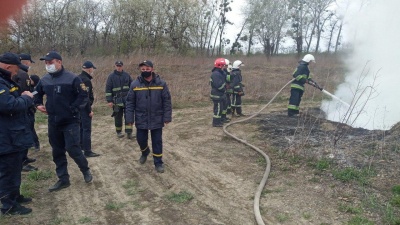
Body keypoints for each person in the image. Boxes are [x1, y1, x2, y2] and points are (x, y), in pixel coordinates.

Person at [34, 51, 93, 192]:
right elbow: (36, 93)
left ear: (59, 62)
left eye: (51, 62)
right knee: (57, 151)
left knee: (73, 149)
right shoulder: (44, 80)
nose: (48, 65)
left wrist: (73, 109)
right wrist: (38, 104)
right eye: (46, 63)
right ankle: (63, 179)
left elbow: (84, 96)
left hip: (70, 121)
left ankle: (85, 170)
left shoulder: (73, 78)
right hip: (53, 122)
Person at [0, 52, 34, 215]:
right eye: (15, 69)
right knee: (8, 172)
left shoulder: (5, 80)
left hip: (12, 135)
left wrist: (20, 97)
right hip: (5, 137)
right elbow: (9, 106)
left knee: (15, 169)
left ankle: (15, 196)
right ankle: (8, 205)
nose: (16, 73)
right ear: (7, 66)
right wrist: (26, 98)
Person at [125, 60, 172, 173]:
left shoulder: (161, 84)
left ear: (152, 69)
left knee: (157, 141)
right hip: (141, 117)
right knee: (141, 139)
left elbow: (167, 101)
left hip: (157, 117)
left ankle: (158, 162)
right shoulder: (135, 84)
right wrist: (129, 119)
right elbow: (130, 103)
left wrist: (167, 117)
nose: (145, 71)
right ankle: (145, 152)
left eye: (147, 69)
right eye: (143, 69)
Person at [12, 53, 38, 172]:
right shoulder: (22, 75)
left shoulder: (20, 73)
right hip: (24, 109)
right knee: (25, 133)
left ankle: (25, 158)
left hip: (23, 108)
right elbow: (23, 92)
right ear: (24, 61)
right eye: (29, 62)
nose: (29, 64)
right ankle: (22, 162)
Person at [105, 60, 133, 138]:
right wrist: (109, 101)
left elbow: (132, 87)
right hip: (116, 101)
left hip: (127, 100)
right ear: (115, 66)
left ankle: (129, 132)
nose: (118, 67)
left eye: (120, 66)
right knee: (117, 117)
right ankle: (119, 132)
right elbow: (108, 89)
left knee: (129, 116)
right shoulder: (111, 76)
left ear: (122, 66)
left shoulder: (127, 75)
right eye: (117, 66)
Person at [78, 61, 100, 157]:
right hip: (84, 108)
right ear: (89, 68)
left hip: (78, 107)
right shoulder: (86, 80)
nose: (92, 71)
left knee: (81, 128)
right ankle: (87, 150)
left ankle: (81, 146)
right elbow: (85, 97)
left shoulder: (78, 78)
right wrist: (89, 110)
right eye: (92, 69)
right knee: (86, 129)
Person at [209, 58, 227, 127]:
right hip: (217, 95)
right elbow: (219, 86)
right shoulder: (216, 74)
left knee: (220, 108)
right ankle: (216, 123)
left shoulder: (218, 73)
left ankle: (219, 121)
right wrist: (224, 88)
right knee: (218, 109)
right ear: (220, 65)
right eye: (223, 66)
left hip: (219, 94)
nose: (224, 67)